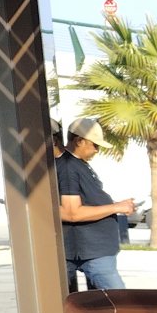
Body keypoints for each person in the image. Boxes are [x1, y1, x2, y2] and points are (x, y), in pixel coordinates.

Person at [56, 117, 134, 293]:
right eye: (95, 145)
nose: (97, 150)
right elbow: (71, 213)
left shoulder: (78, 164)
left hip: (94, 250)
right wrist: (116, 207)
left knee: (103, 304)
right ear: (79, 141)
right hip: (90, 252)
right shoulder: (68, 167)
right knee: (118, 301)